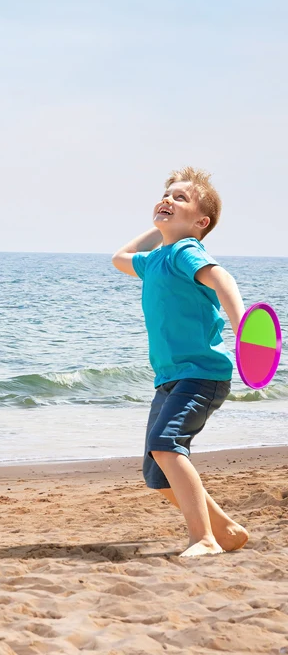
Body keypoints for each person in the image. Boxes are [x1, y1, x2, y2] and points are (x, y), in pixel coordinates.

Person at [111, 167, 249, 557]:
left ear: (201, 222)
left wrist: (242, 328)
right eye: (165, 194)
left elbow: (223, 280)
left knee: (166, 444)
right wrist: (163, 222)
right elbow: (120, 258)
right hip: (169, 378)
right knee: (157, 470)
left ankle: (203, 540)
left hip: (201, 375)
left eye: (180, 198)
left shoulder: (187, 252)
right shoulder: (156, 259)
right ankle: (225, 530)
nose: (169, 199)